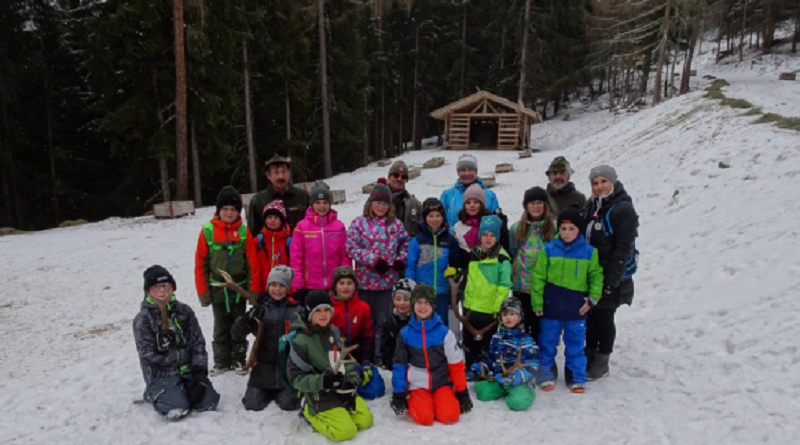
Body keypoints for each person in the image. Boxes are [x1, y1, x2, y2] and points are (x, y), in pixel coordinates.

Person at [532, 207, 603, 393]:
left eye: (571, 229)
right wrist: (537, 302)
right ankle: (545, 373)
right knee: (547, 342)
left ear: (579, 230)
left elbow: (596, 276)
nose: (567, 233)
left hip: (576, 308)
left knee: (575, 345)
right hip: (551, 306)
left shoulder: (589, 252)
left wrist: (592, 299)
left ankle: (576, 376)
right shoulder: (548, 249)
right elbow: (538, 277)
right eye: (563, 229)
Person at [134, 265, 220, 419]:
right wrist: (162, 350)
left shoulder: (184, 311)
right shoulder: (143, 319)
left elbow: (197, 343)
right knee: (177, 408)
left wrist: (199, 373)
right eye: (156, 287)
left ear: (172, 288)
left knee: (208, 403)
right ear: (148, 292)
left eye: (165, 286)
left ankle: (184, 388)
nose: (161, 291)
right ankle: (154, 393)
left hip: (188, 371)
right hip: (162, 374)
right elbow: (146, 355)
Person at [287, 291, 374, 441]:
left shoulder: (333, 332)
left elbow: (344, 359)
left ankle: (340, 409)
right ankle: (309, 411)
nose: (323, 314)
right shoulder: (300, 341)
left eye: (327, 310)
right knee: (345, 432)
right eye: (318, 311)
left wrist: (351, 380)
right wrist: (323, 381)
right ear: (309, 313)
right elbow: (296, 379)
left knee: (365, 421)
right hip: (319, 393)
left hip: (341, 389)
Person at [194, 186, 261, 376]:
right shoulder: (207, 231)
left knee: (239, 324)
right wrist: (203, 293)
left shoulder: (243, 232)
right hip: (217, 289)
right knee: (221, 326)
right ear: (218, 210)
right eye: (225, 209)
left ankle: (239, 359)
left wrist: (253, 291)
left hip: (239, 288)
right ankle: (222, 361)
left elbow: (252, 264)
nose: (229, 213)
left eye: (233, 209)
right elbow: (200, 264)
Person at [583, 165, 639, 381]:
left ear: (613, 182)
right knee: (590, 316)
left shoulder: (622, 208)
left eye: (603, 182)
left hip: (612, 275)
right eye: (595, 183)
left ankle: (601, 362)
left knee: (605, 317)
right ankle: (588, 356)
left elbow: (624, 246)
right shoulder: (593, 206)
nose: (599, 186)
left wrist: (611, 280)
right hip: (592, 273)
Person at [390, 284, 472, 426]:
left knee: (450, 416)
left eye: (427, 303)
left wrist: (461, 391)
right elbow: (400, 365)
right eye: (419, 302)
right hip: (417, 385)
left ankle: (442, 398)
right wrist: (399, 393)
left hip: (441, 382)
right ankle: (415, 399)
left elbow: (456, 364)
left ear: (433, 306)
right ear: (413, 304)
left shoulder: (444, 333)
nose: (423, 307)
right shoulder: (405, 333)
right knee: (424, 418)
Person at [346, 182, 410, 348]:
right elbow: (351, 247)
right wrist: (373, 260)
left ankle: (381, 352)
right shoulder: (359, 223)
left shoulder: (395, 225)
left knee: (383, 321)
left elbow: (406, 244)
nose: (381, 207)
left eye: (385, 204)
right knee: (365, 321)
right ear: (370, 203)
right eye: (378, 203)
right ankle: (365, 353)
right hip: (364, 283)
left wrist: (400, 259)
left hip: (387, 284)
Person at [231, 265, 301, 411]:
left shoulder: (296, 310)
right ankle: (268, 389)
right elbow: (236, 334)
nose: (277, 289)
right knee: (252, 404)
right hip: (263, 367)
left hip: (287, 368)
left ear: (287, 287)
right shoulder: (261, 310)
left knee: (289, 405)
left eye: (282, 285)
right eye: (273, 285)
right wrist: (248, 318)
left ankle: (280, 390)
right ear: (268, 286)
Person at [328, 266, 386, 400]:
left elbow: (368, 336)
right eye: (341, 283)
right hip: (335, 357)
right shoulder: (328, 308)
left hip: (357, 357)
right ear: (335, 286)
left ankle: (356, 380)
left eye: (349, 283)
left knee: (375, 390)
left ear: (355, 286)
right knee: (338, 388)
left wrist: (366, 361)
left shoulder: (363, 307)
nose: (345, 287)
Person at [471, 297, 538, 411]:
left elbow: (532, 365)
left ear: (520, 317)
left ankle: (527, 392)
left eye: (512, 314)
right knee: (481, 391)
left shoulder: (526, 341)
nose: (508, 317)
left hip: (518, 381)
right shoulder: (496, 337)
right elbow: (490, 357)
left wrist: (517, 376)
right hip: (499, 378)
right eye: (505, 314)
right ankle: (504, 389)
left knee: (518, 403)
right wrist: (480, 368)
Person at [462, 215, 512, 366]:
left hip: (489, 309)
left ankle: (486, 367)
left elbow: (504, 285)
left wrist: (498, 307)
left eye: (492, 235)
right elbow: (469, 278)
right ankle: (471, 366)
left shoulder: (503, 259)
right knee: (469, 341)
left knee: (487, 342)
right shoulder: (473, 254)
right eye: (485, 235)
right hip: (471, 307)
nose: (488, 238)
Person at [290, 180, 350, 303]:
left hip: (334, 285)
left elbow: (344, 256)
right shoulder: (302, 227)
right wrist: (298, 283)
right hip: (309, 286)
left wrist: (345, 278)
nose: (322, 206)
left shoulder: (339, 227)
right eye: (317, 202)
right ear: (311, 204)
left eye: (325, 202)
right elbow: (296, 257)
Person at [508, 187, 556, 341]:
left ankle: (543, 357)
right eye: (532, 203)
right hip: (521, 285)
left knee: (542, 326)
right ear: (526, 206)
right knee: (523, 323)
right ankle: (524, 355)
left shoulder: (554, 227)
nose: (536, 207)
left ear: (546, 205)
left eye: (539, 203)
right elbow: (513, 251)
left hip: (544, 286)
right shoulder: (517, 228)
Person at [405, 198, 461, 326]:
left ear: (443, 217)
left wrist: (453, 270)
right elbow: (411, 266)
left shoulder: (450, 240)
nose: (435, 219)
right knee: (421, 323)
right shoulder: (417, 240)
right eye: (431, 216)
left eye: (438, 216)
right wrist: (411, 287)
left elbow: (456, 263)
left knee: (440, 323)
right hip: (421, 292)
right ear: (425, 218)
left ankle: (441, 346)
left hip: (442, 291)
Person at [247, 155, 310, 236]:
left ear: (288, 173)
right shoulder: (259, 200)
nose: (281, 176)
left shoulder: (302, 196)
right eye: (276, 172)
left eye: (284, 172)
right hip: (271, 248)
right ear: (268, 176)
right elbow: (252, 233)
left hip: (299, 247)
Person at [452, 184, 510, 270]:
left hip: (488, 269)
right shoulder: (458, 226)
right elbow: (455, 251)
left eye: (476, 202)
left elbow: (500, 245)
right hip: (465, 269)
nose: (472, 205)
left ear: (482, 204)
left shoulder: (489, 223)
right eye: (468, 202)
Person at [440, 154, 500, 229]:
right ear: (458, 173)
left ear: (476, 172)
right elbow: (440, 221)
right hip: (454, 238)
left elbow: (496, 220)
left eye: (470, 170)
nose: (467, 173)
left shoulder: (489, 195)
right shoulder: (448, 195)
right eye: (463, 170)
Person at [378, 278, 416, 369]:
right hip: (395, 365)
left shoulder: (418, 321)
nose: (402, 303)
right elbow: (385, 348)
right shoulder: (389, 321)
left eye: (406, 299)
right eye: (398, 299)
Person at [256, 200, 291, 291]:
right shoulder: (258, 241)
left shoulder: (289, 242)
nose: (272, 220)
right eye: (269, 217)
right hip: (263, 290)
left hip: (283, 290)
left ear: (282, 220)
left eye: (276, 217)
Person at [387, 160, 423, 238]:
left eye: (403, 177)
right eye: (396, 175)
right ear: (389, 177)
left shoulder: (416, 205)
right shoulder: (377, 201)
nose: (399, 179)